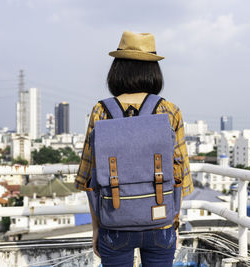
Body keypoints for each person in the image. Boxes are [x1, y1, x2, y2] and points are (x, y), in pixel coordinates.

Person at [75, 30, 193, 267]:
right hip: (160, 223)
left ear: (116, 70)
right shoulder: (169, 110)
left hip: (114, 222)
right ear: (154, 72)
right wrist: (174, 224)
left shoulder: (101, 111)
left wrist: (96, 228)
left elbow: (89, 178)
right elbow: (180, 176)